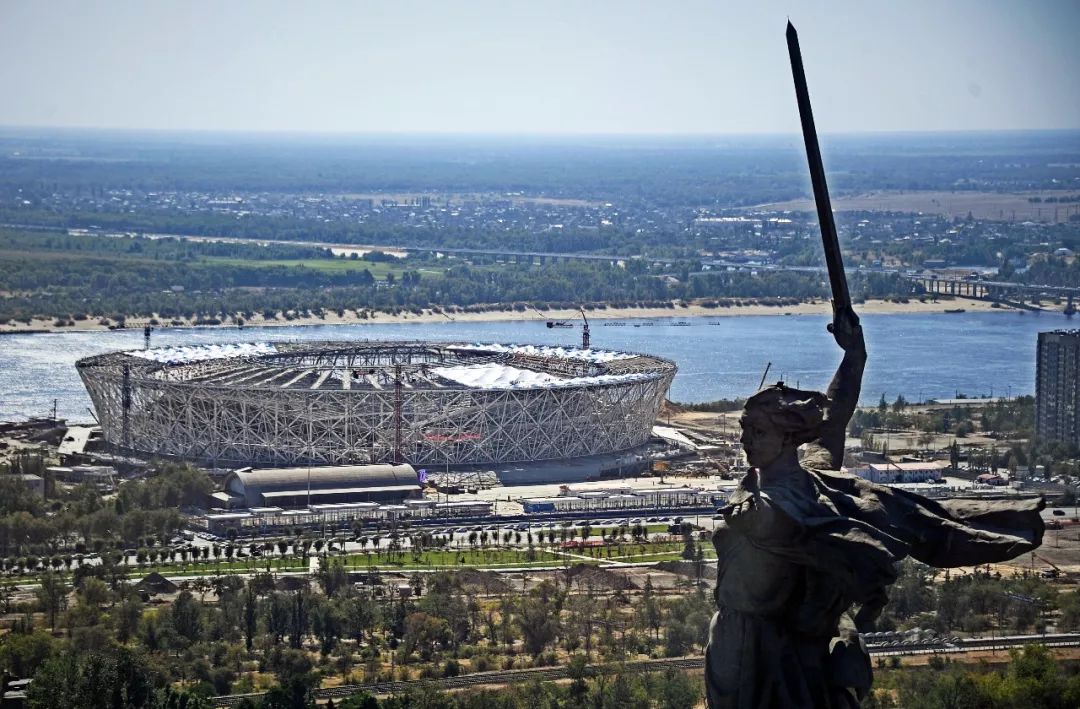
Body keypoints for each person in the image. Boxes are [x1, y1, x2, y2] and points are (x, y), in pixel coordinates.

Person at [704, 309, 1044, 708]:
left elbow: (830, 426)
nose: (745, 440)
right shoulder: (807, 477)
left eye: (758, 432)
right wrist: (853, 356)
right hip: (734, 640)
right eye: (744, 428)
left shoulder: (791, 506)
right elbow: (836, 413)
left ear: (788, 438)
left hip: (768, 655)